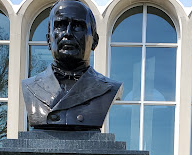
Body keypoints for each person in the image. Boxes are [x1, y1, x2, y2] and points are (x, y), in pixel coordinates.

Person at [22, 0, 122, 130]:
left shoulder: (108, 88)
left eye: (78, 26)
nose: (68, 33)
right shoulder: (30, 86)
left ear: (95, 41)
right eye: (60, 25)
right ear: (48, 40)